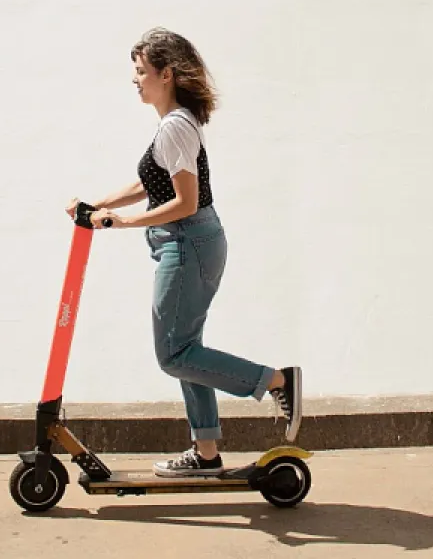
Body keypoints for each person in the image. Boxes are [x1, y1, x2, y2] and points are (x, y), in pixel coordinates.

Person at [65, 27, 302, 478]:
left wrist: (122, 223)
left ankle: (276, 381)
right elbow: (149, 184)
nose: (135, 79)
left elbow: (185, 202)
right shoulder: (175, 124)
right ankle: (206, 453)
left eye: (141, 71)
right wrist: (98, 205)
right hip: (193, 242)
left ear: (166, 74)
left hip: (187, 241)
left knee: (174, 355)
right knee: (187, 350)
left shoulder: (175, 126)